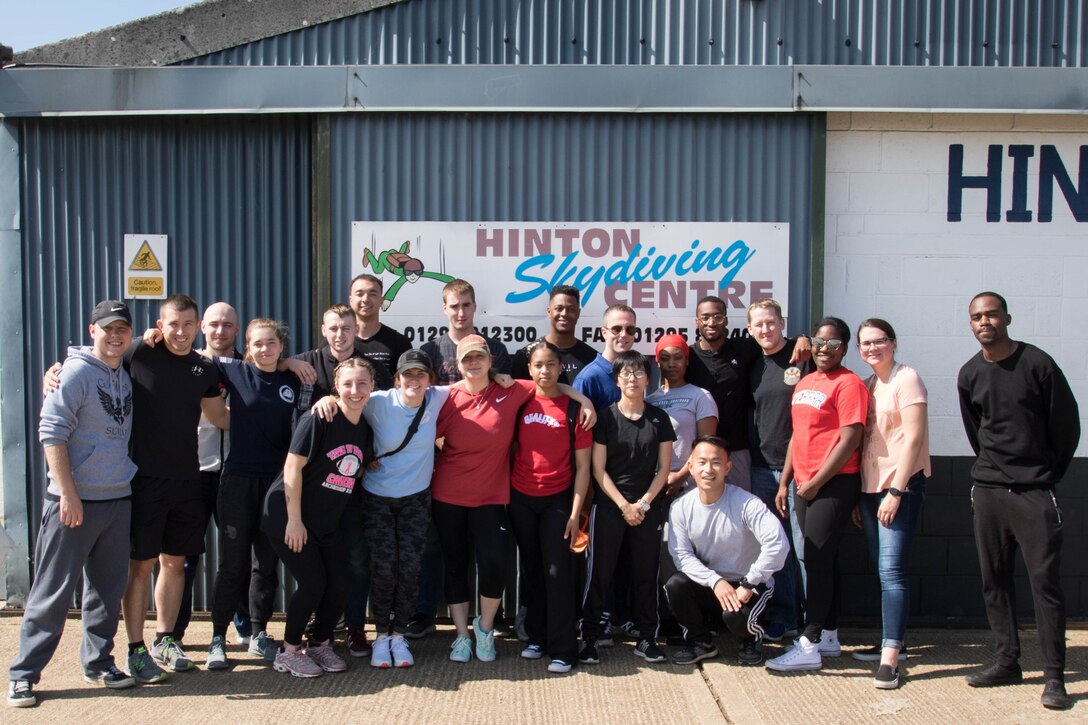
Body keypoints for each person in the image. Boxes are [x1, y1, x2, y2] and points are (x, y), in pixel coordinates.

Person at [8, 301, 138, 708]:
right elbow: (52, 433)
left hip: (117, 497)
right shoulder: (77, 372)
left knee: (106, 589)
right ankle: (23, 675)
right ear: (92, 330)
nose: (115, 336)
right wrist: (67, 493)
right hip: (74, 502)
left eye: (122, 329)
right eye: (107, 329)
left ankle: (99, 662)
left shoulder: (123, 371)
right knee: (52, 592)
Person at [432, 335, 593, 664]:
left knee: (513, 565)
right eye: (467, 359)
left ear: (491, 362)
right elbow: (421, 430)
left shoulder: (514, 391)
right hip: (470, 495)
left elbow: (552, 387)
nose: (473, 364)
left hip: (510, 497)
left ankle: (500, 632)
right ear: (457, 364)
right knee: (471, 567)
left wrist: (585, 400)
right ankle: (474, 636)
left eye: (480, 358)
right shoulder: (446, 397)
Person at [957, 292, 1080, 711]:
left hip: (1033, 491)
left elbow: (1066, 426)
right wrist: (994, 473)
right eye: (976, 316)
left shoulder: (1038, 364)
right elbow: (977, 434)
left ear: (1007, 317)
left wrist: (1043, 476)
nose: (984, 321)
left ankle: (1054, 677)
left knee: (1045, 586)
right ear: (970, 324)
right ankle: (1007, 661)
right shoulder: (969, 373)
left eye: (991, 313)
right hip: (988, 490)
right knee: (995, 581)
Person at [201, 319, 305, 670]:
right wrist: (151, 338)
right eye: (257, 343)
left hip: (274, 485)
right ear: (247, 346)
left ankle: (259, 633)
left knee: (266, 563)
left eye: (271, 343)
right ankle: (218, 638)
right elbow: (192, 357)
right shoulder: (234, 371)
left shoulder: (292, 379)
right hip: (237, 481)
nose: (265, 349)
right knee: (234, 563)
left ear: (281, 345)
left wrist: (291, 364)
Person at [410, 278, 511, 639]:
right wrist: (444, 448)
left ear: (474, 307)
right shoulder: (430, 350)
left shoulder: (495, 347)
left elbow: (512, 389)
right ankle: (425, 612)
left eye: (466, 305)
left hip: (487, 478)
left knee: (491, 553)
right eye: (454, 305)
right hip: (439, 471)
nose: (460, 312)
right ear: (444, 308)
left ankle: (490, 619)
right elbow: (417, 405)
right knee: (439, 549)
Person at [766, 317, 868, 673]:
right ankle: (829, 635)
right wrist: (786, 482)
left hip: (835, 483)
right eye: (820, 343)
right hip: (803, 483)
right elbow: (797, 434)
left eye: (834, 345)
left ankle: (808, 641)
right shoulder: (806, 380)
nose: (825, 350)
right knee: (822, 560)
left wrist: (817, 482)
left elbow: (850, 437)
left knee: (817, 557)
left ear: (844, 348)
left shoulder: (850, 384)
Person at [262, 358, 375, 678]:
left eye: (362, 383)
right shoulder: (320, 418)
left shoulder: (364, 426)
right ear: (336, 387)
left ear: (372, 387)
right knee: (313, 584)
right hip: (287, 515)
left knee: (340, 583)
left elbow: (354, 466)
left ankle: (320, 642)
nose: (355, 390)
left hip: (326, 521)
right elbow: (292, 468)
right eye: (348, 384)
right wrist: (294, 521)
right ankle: (289, 650)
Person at [579, 350, 675, 666]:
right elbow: (598, 470)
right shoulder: (605, 418)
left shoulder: (659, 419)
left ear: (648, 378)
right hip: (609, 508)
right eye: (625, 373)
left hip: (648, 509)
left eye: (638, 373)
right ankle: (589, 637)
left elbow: (663, 469)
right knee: (600, 574)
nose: (632, 378)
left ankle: (647, 638)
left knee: (646, 574)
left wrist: (643, 504)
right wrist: (624, 505)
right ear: (617, 379)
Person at [852, 318, 930, 689]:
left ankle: (891, 659)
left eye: (878, 341)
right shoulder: (870, 384)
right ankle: (889, 639)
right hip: (869, 490)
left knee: (892, 571)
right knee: (882, 571)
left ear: (893, 343)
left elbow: (914, 439)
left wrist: (896, 492)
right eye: (865, 343)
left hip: (899, 488)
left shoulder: (906, 379)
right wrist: (862, 495)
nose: (871, 349)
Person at [664, 436, 788, 667]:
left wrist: (750, 582)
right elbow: (682, 556)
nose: (708, 469)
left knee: (735, 618)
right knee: (675, 585)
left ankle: (752, 638)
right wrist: (715, 581)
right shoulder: (680, 507)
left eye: (716, 463)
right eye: (701, 462)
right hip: (713, 584)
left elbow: (778, 544)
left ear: (728, 467)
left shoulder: (747, 504)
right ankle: (701, 641)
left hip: (749, 585)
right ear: (690, 467)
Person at [508, 339, 593, 674]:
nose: (545, 371)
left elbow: (584, 467)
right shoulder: (521, 400)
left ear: (561, 367)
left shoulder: (575, 411)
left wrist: (575, 513)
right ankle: (537, 638)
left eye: (551, 364)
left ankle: (564, 649)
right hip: (521, 498)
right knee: (532, 570)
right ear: (530, 369)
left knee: (557, 573)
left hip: (558, 500)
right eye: (538, 365)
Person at [173, 301, 249, 648]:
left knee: (238, 556)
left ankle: (245, 626)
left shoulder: (251, 365)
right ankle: (173, 632)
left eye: (228, 325)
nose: (221, 331)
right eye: (215, 324)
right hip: (192, 474)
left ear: (237, 329)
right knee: (184, 559)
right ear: (203, 326)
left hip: (234, 474)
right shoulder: (182, 362)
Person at [686, 296, 810, 492]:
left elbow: (781, 343)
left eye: (718, 317)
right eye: (705, 317)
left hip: (739, 451)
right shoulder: (688, 356)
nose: (711, 323)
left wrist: (803, 338)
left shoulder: (745, 349)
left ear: (726, 320)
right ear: (697, 322)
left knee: (741, 514)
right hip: (701, 452)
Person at [746, 299, 810, 642]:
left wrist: (806, 338)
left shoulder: (803, 356)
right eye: (758, 325)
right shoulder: (755, 362)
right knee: (776, 548)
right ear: (750, 329)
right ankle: (785, 619)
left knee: (803, 551)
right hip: (761, 468)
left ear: (782, 322)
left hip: (800, 469)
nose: (765, 330)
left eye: (770, 322)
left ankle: (813, 625)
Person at [510, 285, 598, 384]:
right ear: (549, 312)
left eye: (571, 309)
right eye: (559, 308)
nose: (564, 313)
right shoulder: (526, 356)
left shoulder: (592, 358)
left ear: (578, 313)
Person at [348, 274, 413, 388]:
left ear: (381, 301)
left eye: (372, 294)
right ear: (351, 300)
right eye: (359, 294)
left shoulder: (399, 342)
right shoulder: (337, 341)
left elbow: (407, 386)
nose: (365, 299)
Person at [572, 304, 637, 412]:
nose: (624, 334)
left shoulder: (638, 373)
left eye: (630, 329)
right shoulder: (588, 379)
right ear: (604, 332)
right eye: (617, 329)